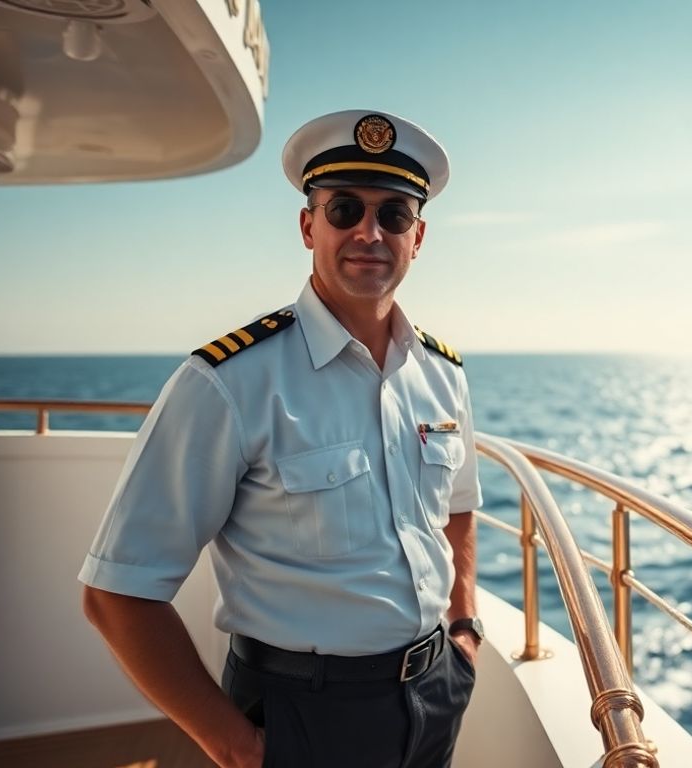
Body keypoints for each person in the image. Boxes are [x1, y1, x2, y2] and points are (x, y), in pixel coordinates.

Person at [80, 109, 484, 768]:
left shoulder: (443, 374)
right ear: (308, 226)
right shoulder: (229, 381)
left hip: (436, 690)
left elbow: (458, 508)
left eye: (394, 215)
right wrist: (239, 748)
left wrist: (463, 632)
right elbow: (116, 593)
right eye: (345, 208)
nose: (368, 232)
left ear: (419, 236)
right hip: (302, 711)